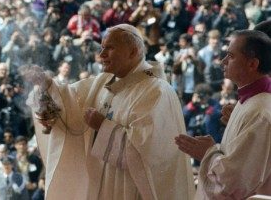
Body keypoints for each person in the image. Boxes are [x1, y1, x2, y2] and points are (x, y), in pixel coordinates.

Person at [27, 24, 194, 199]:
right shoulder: (105, 82)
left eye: (110, 48)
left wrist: (102, 126)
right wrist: (47, 85)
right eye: (101, 48)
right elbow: (70, 100)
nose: (101, 55)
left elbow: (149, 154)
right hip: (103, 183)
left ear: (133, 51)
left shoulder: (156, 91)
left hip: (132, 190)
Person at [175, 30, 271, 198]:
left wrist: (208, 153)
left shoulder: (259, 112)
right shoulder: (251, 102)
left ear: (252, 64)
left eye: (231, 56)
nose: (223, 61)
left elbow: (235, 183)